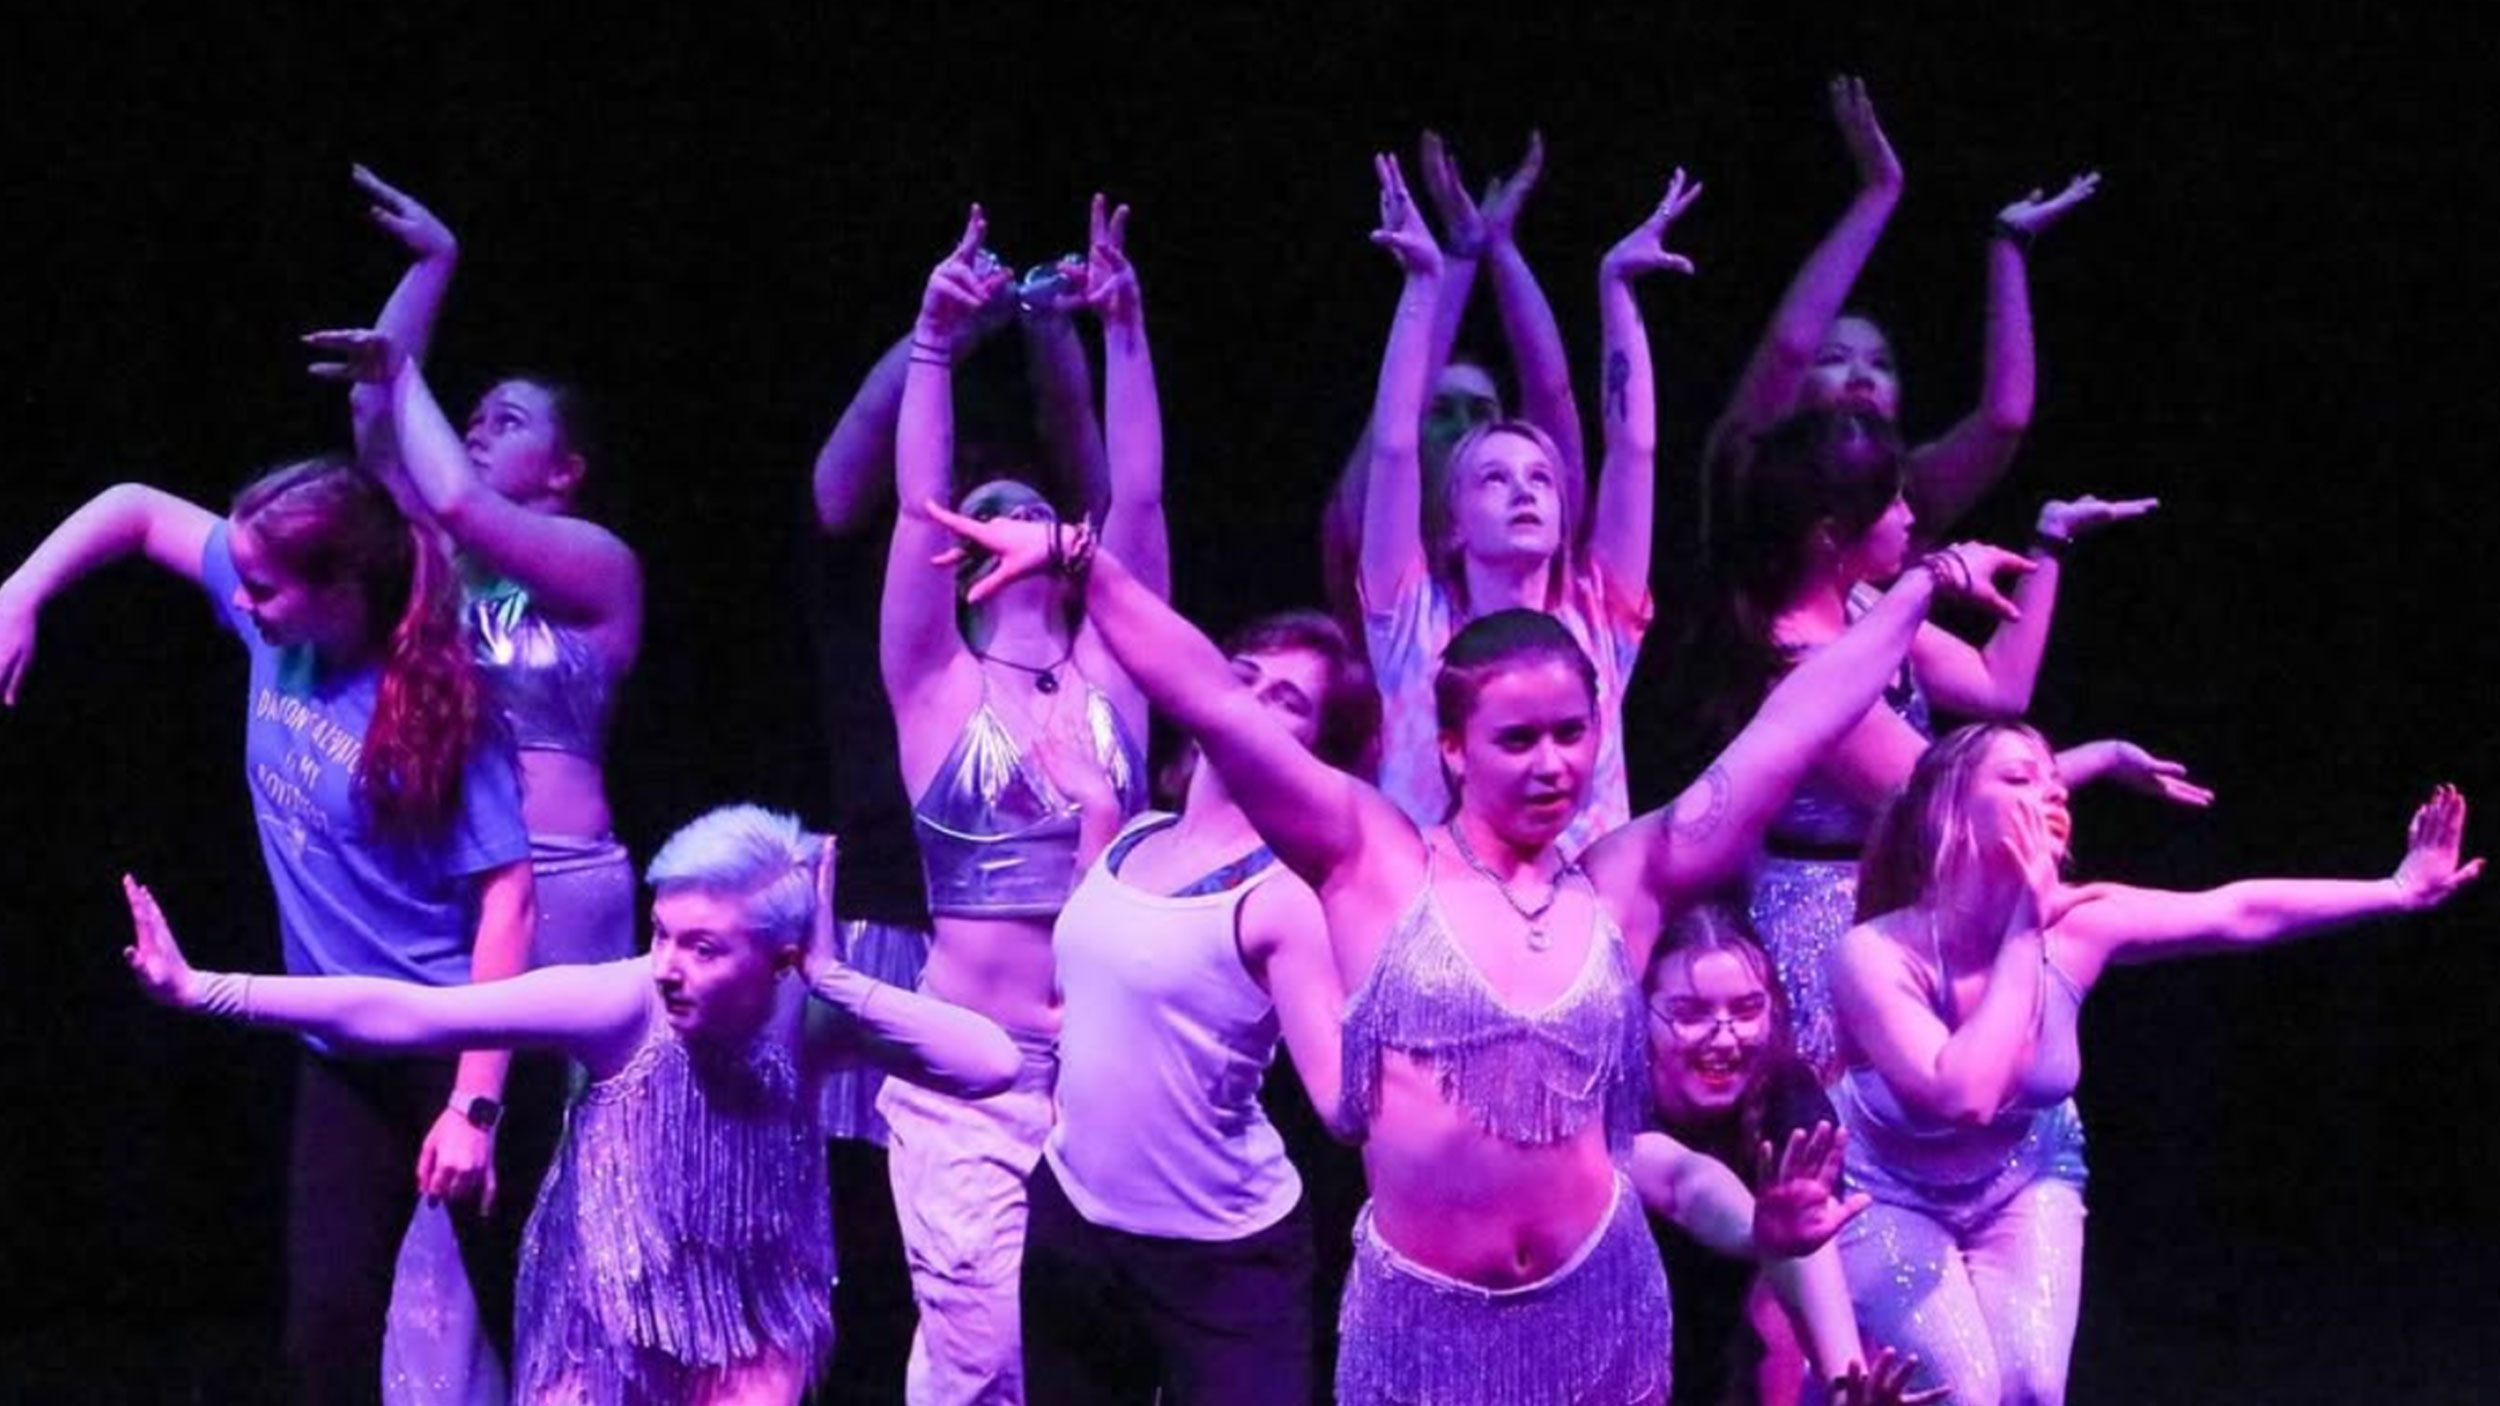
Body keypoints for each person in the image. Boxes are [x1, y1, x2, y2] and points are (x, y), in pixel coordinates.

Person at [924, 314, 2039, 1401]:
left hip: (1600, 1313)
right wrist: (1080, 560)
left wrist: (1913, 594)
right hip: (1421, 1334)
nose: (1551, 763)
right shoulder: (1373, 861)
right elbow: (1213, 698)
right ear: (1453, 745)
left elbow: (1787, 731)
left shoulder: (1625, 879)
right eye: (1517, 738)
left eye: (1571, 734)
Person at [119, 805, 1021, 1406]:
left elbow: (989, 1062)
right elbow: (409, 1011)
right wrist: (203, 990)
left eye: (703, 947)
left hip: (753, 1307)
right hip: (603, 1308)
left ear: (777, 957)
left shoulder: (814, 1017)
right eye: (663, 933)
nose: (669, 964)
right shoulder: (623, 1004)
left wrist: (835, 979)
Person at [1, 458, 535, 1404]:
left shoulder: (439, 697)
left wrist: (475, 1106)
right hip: (341, 1050)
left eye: (264, 587)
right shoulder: (279, 635)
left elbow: (509, 899)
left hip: (452, 1041)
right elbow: (131, 507)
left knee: (518, 1314)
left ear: (341, 590)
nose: (242, 602)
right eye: (239, 577)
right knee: (325, 1334)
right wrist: (20, 593)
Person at [1828, 725, 2479, 1403]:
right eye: (2019, 779)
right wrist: (2024, 929)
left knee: (2030, 1388)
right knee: (1965, 1390)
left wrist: (2398, 888)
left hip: (2022, 1177)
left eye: (2055, 782)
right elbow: (1964, 1096)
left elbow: (2238, 911)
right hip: (1886, 1192)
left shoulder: (2084, 923)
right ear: (1949, 810)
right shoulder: (1875, 954)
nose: (2051, 794)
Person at [301, 166, 648, 1402]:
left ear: (567, 471)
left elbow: (438, 471)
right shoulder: (437, 567)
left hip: (569, 896)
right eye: (479, 412)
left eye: (511, 418)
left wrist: (419, 359)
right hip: (466, 900)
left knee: (570, 1177)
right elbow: (378, 438)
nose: (483, 431)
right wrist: (426, 274)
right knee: (458, 1178)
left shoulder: (597, 565)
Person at [877, 196, 1169, 1403]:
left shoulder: (1114, 676)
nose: (1005, 521)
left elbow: (1140, 505)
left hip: (1108, 1080)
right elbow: (909, 504)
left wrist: (1127, 328)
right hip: (970, 1085)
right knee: (988, 1357)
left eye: (1029, 507)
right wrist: (936, 346)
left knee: (1099, 1366)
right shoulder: (936, 686)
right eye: (982, 511)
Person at [1678, 405, 2190, 1076]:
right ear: (1832, 534)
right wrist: (2095, 760)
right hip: (1832, 918)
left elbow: (1998, 686)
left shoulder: (1863, 605)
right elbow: (1943, 801)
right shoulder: (1801, 665)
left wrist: (2050, 542)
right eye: (1891, 500)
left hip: (1901, 892)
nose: (1909, 515)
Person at [1019, 610, 1376, 1406]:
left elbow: (1340, 1104)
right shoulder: (1133, 837)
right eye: (1242, 674)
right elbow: (1088, 974)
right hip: (1075, 1220)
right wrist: (1096, 816)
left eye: (1287, 698)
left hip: (1220, 1255)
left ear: (1320, 749)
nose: (1248, 699)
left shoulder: (1283, 895)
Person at [1361, 153, 1700, 858]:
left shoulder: (1598, 618)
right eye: (1492, 479)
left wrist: (1616, 291)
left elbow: (1634, 451)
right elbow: (1394, 447)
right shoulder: (1413, 624)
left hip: (1578, 912)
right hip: (1437, 911)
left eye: (1541, 479)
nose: (1522, 490)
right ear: (1452, 520)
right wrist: (1423, 287)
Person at [1700, 76, 2100, 549]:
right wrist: (1879, 193)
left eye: (1881, 365)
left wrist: (2008, 243)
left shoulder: (1910, 498)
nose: (1862, 377)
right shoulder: (1749, 470)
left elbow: (2004, 419)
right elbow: (1790, 347)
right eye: (1833, 359)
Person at [1321, 130, 1586, 646]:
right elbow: (1392, 430)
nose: (1465, 426)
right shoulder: (1378, 561)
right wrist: (1460, 256)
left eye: (1481, 412)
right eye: (1441, 411)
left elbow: (1552, 394)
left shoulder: (1539, 543)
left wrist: (1503, 249)